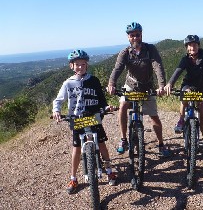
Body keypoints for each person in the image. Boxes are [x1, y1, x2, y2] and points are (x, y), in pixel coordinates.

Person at [52, 49, 117, 194]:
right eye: (77, 64)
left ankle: (109, 170)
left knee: (102, 144)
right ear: (71, 66)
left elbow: (101, 99)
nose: (80, 67)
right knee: (76, 149)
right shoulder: (68, 83)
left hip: (94, 117)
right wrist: (56, 110)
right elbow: (59, 99)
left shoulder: (94, 80)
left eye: (83, 64)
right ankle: (73, 178)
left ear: (87, 65)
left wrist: (107, 107)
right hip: (77, 119)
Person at [107, 22, 171, 157]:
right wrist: (111, 83)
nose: (135, 38)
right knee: (123, 105)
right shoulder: (125, 52)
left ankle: (161, 144)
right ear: (128, 37)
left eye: (137, 35)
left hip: (147, 87)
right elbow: (117, 69)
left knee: (153, 115)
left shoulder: (150, 49)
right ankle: (123, 139)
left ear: (141, 35)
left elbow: (157, 66)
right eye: (132, 35)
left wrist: (161, 85)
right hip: (131, 85)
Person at [164, 35, 203, 151]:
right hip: (188, 85)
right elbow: (178, 71)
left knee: (202, 117)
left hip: (202, 88)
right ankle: (181, 120)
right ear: (187, 47)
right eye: (190, 45)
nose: (192, 47)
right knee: (185, 94)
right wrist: (170, 83)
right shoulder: (185, 59)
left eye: (195, 45)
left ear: (198, 46)